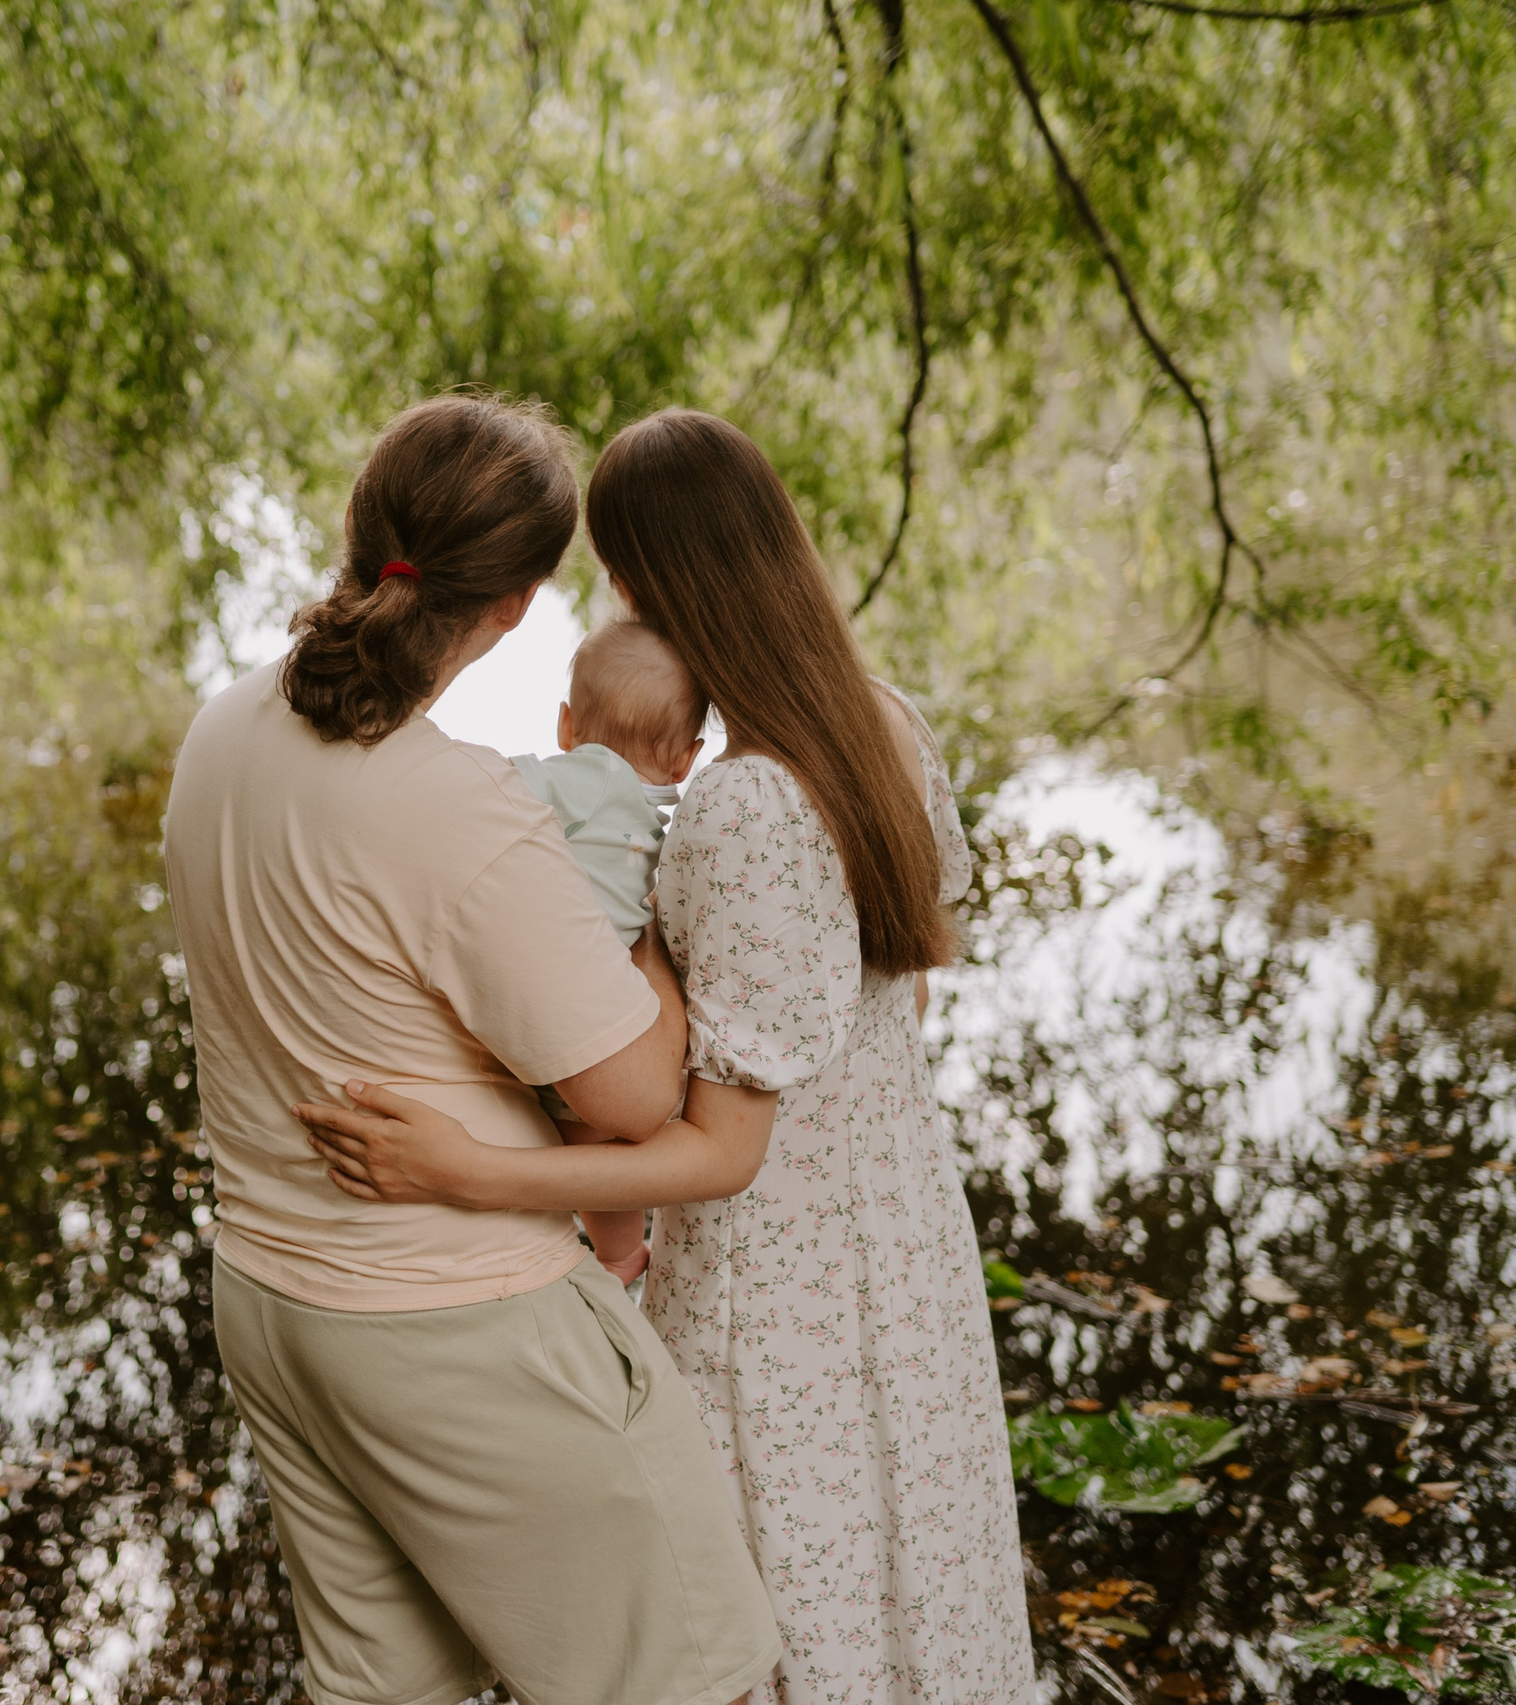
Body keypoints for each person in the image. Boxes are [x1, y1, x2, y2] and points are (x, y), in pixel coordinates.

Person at [297, 409, 1034, 1704]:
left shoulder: (742, 806)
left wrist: (469, 1172)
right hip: (906, 1243)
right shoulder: (886, 727)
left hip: (774, 1293)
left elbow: (722, 1151)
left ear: (645, 581)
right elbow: (890, 999)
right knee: (909, 1576)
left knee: (773, 1615)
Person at [163, 393, 783, 1705]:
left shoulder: (219, 731)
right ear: (517, 603)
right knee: (691, 1683)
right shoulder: (455, 803)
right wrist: (641, 898)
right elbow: (636, 1096)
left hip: (274, 1302)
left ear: (361, 525)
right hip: (457, 1325)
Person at [509, 620, 708, 1284]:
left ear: (567, 725)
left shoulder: (586, 775)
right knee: (595, 1137)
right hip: (610, 1006)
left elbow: (491, 787)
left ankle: (605, 1253)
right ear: (686, 760)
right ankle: (621, 1255)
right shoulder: (663, 825)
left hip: (552, 988)